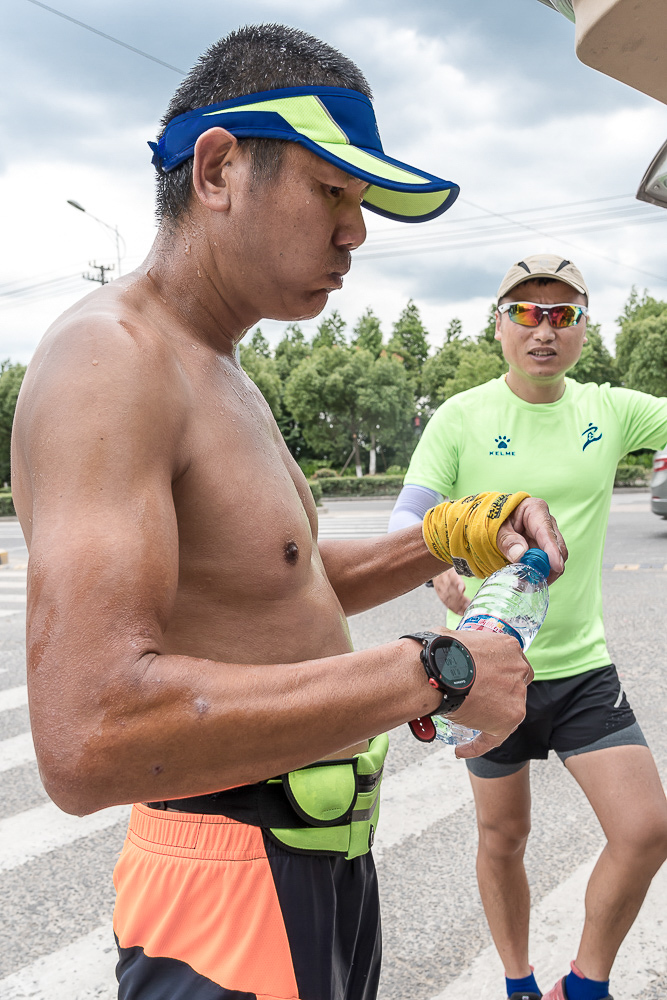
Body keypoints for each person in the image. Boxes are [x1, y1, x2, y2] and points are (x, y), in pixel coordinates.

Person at [11, 28, 567, 1000]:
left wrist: (452, 532)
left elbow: (283, 582)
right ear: (220, 168)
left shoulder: (221, 368)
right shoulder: (112, 359)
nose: (356, 233)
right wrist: (432, 672)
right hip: (225, 885)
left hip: (315, 863)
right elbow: (88, 734)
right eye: (333, 194)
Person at [389, 253, 667, 1000]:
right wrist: (432, 563)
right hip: (486, 664)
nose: (542, 330)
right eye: (525, 313)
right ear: (499, 325)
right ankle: (517, 984)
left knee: (644, 830)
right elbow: (405, 517)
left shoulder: (610, 410)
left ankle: (584, 985)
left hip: (580, 667)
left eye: (561, 315)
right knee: (503, 837)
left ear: (582, 327)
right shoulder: (462, 416)